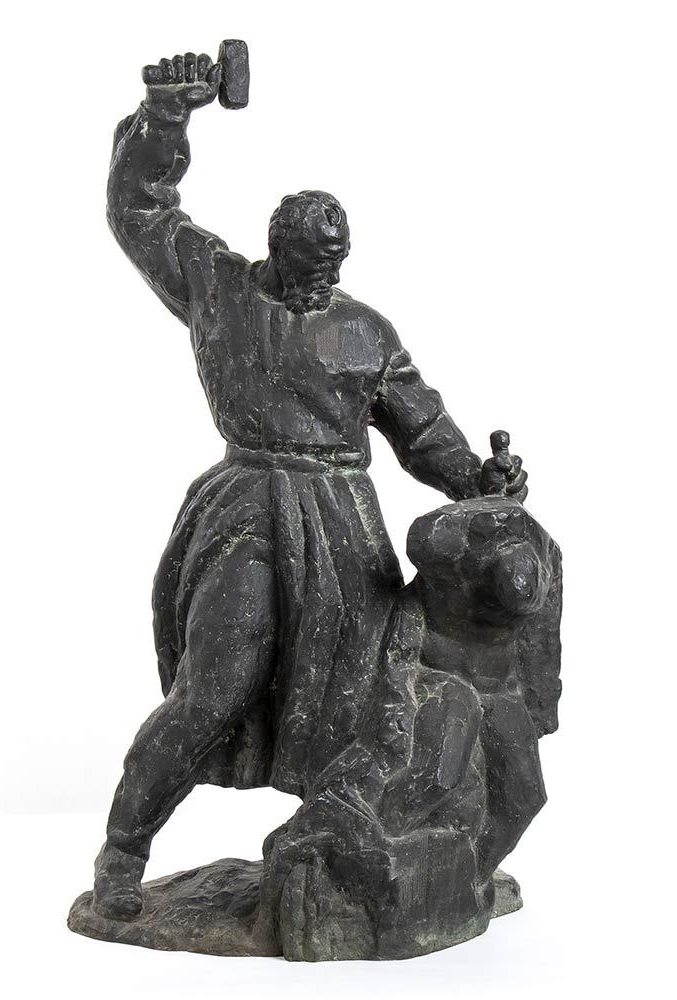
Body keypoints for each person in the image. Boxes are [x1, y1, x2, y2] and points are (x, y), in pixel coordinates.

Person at [93, 51, 528, 920]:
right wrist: (166, 116)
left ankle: (354, 854)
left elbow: (421, 428)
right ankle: (121, 853)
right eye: (308, 265)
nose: (321, 281)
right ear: (275, 249)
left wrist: (477, 479)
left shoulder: (365, 330)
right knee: (215, 686)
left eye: (334, 264)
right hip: (247, 506)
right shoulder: (218, 286)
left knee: (367, 695)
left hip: (340, 524)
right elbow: (139, 209)